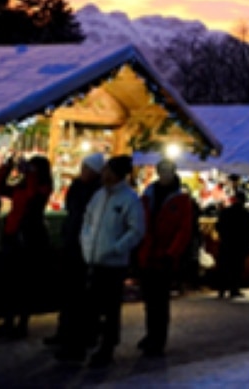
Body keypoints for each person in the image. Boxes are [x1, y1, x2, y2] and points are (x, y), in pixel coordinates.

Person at [79, 155, 145, 368]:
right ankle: (89, 341)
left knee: (109, 307)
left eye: (109, 170)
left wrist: (116, 249)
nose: (105, 174)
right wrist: (86, 243)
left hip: (113, 264)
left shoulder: (129, 199)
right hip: (93, 259)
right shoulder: (99, 196)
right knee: (91, 305)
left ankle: (107, 346)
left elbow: (136, 230)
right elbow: (87, 220)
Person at [0, 154, 53, 339]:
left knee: (24, 282)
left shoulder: (42, 187)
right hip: (14, 235)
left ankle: (21, 324)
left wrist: (29, 174)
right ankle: (9, 322)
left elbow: (33, 196)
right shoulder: (23, 185)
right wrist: (6, 168)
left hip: (29, 237)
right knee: (10, 281)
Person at [137, 159, 194, 357]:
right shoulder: (148, 195)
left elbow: (184, 230)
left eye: (168, 171)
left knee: (159, 301)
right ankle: (150, 333)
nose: (165, 174)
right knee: (149, 299)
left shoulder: (181, 200)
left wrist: (172, 253)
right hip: (148, 254)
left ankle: (157, 338)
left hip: (164, 256)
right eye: (162, 171)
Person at [51, 152, 104, 359]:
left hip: (86, 246)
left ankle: (79, 336)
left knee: (80, 294)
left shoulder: (98, 192)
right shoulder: (79, 187)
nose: (83, 172)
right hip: (73, 242)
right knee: (69, 291)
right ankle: (65, 331)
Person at [215, 189, 249, 298]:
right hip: (239, 245)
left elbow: (218, 226)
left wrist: (223, 236)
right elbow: (248, 231)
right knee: (237, 268)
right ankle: (234, 289)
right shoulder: (247, 215)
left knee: (224, 267)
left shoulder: (225, 212)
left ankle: (221, 290)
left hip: (226, 243)